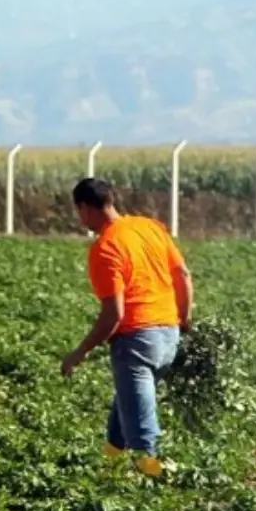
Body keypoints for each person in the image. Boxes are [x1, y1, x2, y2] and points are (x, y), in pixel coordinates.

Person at [60, 177, 194, 477]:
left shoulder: (106, 248)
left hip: (136, 342)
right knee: (127, 405)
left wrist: (79, 353)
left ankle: (154, 482)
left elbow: (114, 314)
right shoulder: (149, 227)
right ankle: (109, 469)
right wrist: (183, 320)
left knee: (142, 435)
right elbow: (183, 274)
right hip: (168, 336)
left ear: (83, 207)